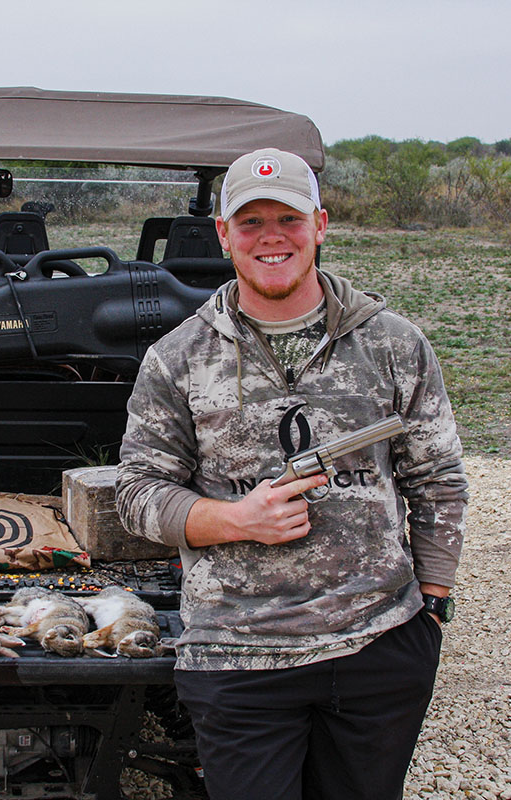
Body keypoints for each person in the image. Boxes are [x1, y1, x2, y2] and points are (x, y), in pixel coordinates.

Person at [115, 148, 468, 800]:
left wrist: (433, 605)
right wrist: (232, 519)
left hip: (379, 646)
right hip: (237, 655)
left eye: (289, 218)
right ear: (224, 234)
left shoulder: (394, 344)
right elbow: (136, 493)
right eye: (250, 222)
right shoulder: (178, 357)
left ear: (321, 225)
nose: (271, 237)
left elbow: (438, 478)